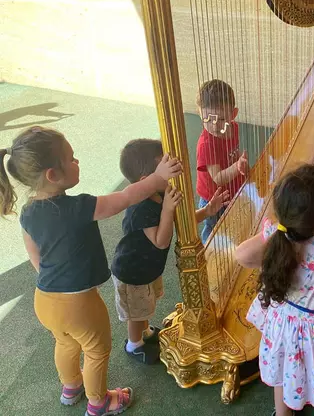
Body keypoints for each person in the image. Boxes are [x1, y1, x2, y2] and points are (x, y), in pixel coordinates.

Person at [0, 126, 182, 416]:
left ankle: (71, 387)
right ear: (53, 175)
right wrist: (158, 178)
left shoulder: (29, 211)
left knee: (65, 343)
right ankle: (99, 402)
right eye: (72, 159)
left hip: (45, 299)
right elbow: (124, 198)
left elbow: (33, 254)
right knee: (96, 352)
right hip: (81, 304)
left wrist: (54, 281)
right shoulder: (78, 207)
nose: (77, 162)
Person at [235, 165, 314, 416]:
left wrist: (270, 234)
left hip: (282, 325)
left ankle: (283, 414)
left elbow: (242, 256)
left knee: (284, 371)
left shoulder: (276, 235)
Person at [112, 139, 229, 364]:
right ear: (146, 181)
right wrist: (167, 209)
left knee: (146, 305)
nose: (173, 172)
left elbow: (181, 221)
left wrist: (207, 210)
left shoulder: (160, 193)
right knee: (137, 312)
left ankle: (145, 333)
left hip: (148, 268)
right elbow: (161, 241)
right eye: (165, 169)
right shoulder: (141, 207)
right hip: (132, 273)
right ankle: (134, 344)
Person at [196, 79, 249, 244]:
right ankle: (208, 254)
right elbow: (217, 178)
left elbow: (235, 151)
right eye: (207, 119)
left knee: (232, 222)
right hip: (213, 197)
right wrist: (237, 166)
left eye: (220, 119)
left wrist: (241, 165)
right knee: (213, 228)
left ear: (233, 115)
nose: (214, 125)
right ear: (200, 114)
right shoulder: (206, 145)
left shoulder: (234, 128)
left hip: (232, 188)